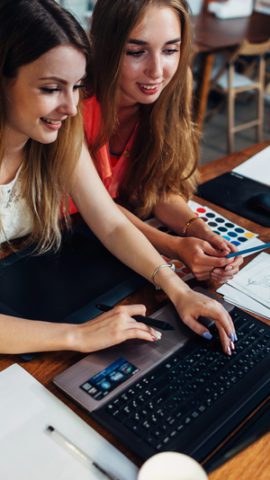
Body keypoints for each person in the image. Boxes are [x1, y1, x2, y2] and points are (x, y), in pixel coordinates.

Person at [0, 0, 236, 356]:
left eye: (77, 86)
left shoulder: (60, 133)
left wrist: (178, 289)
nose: (72, 107)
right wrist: (78, 336)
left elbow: (109, 223)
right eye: (51, 89)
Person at [83, 0, 243, 283]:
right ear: (105, 48)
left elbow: (159, 187)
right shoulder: (75, 104)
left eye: (170, 50)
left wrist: (199, 231)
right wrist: (176, 247)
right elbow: (91, 208)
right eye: (136, 52)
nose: (156, 70)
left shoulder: (168, 94)